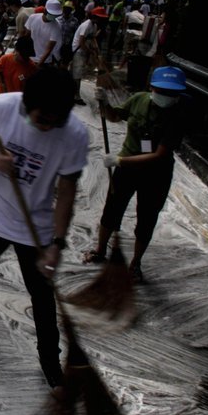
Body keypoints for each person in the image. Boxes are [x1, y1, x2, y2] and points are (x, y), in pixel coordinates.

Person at [0, 67, 88, 392]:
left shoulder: (74, 135)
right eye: (42, 120)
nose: (48, 126)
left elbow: (67, 190)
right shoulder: (3, 108)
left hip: (35, 225)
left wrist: (57, 243)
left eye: (55, 121)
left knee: (41, 294)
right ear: (27, 105)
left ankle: (49, 358)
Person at [82, 66, 188, 282]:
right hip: (127, 169)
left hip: (156, 174)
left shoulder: (178, 116)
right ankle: (100, 250)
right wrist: (104, 103)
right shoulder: (139, 100)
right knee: (112, 208)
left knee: (147, 217)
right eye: (162, 91)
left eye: (171, 93)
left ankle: (135, 263)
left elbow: (159, 155)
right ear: (152, 88)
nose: (166, 96)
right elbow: (114, 116)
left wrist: (119, 160)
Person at [25, 0, 63, 65]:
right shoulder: (33, 18)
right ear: (45, 11)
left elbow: (49, 49)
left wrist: (39, 64)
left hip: (45, 61)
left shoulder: (57, 26)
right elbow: (26, 37)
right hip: (30, 57)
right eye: (51, 14)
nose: (53, 17)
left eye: (55, 15)